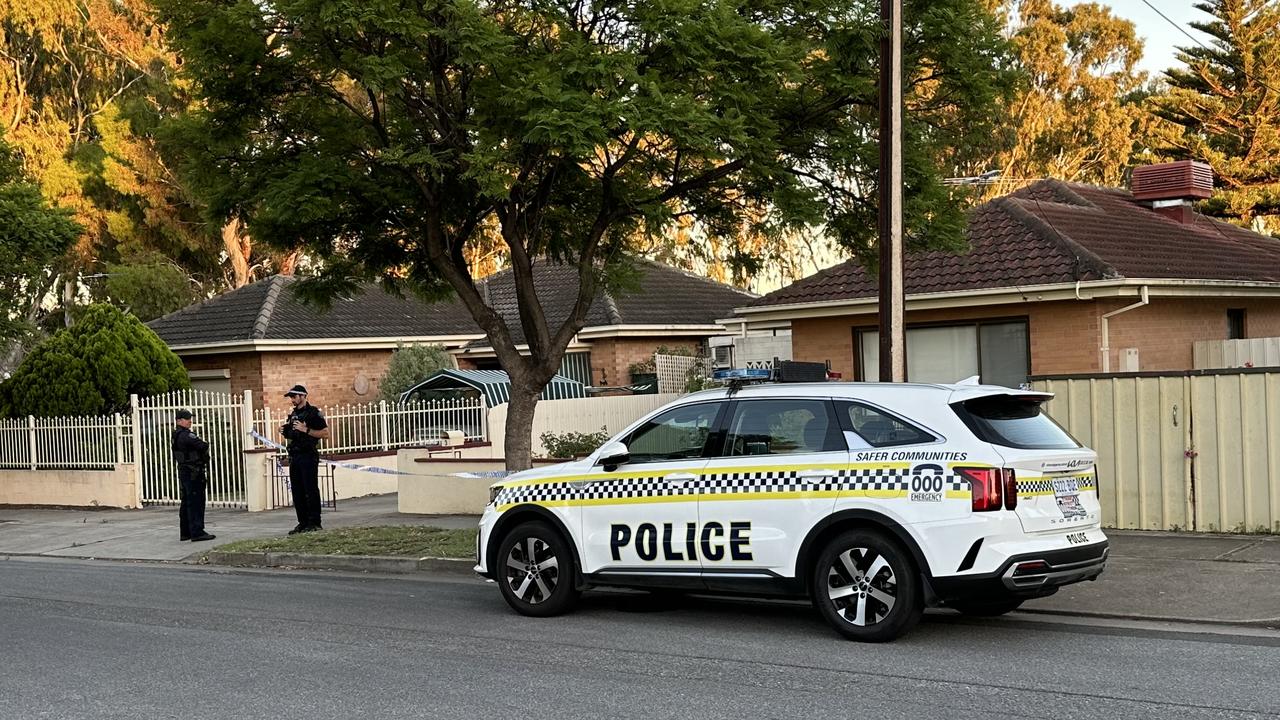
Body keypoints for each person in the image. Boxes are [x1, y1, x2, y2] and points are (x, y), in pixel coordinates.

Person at [280, 384, 329, 534]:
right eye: (291, 397)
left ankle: (314, 522)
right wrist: (284, 430)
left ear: (303, 396)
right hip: (295, 456)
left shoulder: (313, 413)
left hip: (308, 455)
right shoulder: (294, 414)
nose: (292, 400)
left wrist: (306, 429)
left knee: (310, 490)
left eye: (294, 397)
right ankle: (302, 522)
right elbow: (293, 434)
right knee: (297, 491)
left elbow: (325, 433)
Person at [173, 409, 215, 542]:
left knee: (186, 502)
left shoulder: (176, 435)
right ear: (179, 421)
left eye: (190, 418)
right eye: (187, 418)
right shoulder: (186, 435)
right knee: (195, 502)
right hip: (193, 472)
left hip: (184, 471)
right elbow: (203, 445)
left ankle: (185, 532)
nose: (190, 421)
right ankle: (197, 532)